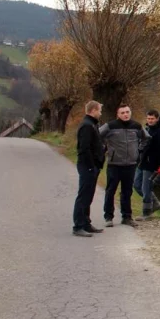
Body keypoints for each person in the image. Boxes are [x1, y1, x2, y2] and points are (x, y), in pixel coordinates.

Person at [99, 103, 146, 227]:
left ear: (130, 113)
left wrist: (139, 151)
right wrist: (104, 148)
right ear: (118, 114)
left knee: (127, 191)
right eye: (123, 113)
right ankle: (108, 217)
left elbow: (146, 138)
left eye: (127, 112)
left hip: (130, 164)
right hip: (114, 164)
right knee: (111, 190)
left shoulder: (136, 126)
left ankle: (127, 217)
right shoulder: (110, 126)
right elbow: (97, 136)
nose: (125, 114)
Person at [73, 100, 106, 237]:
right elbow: (84, 149)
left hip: (93, 166)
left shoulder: (92, 124)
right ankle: (78, 226)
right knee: (83, 196)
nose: (100, 113)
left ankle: (86, 223)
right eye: (99, 110)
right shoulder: (87, 126)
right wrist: (91, 166)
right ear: (93, 111)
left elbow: (94, 145)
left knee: (89, 196)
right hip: (87, 167)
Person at [134, 109, 160, 219]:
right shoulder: (146, 129)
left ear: (157, 119)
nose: (150, 121)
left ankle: (146, 212)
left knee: (146, 188)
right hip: (142, 162)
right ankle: (156, 203)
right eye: (148, 118)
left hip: (152, 165)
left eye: (152, 119)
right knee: (136, 184)